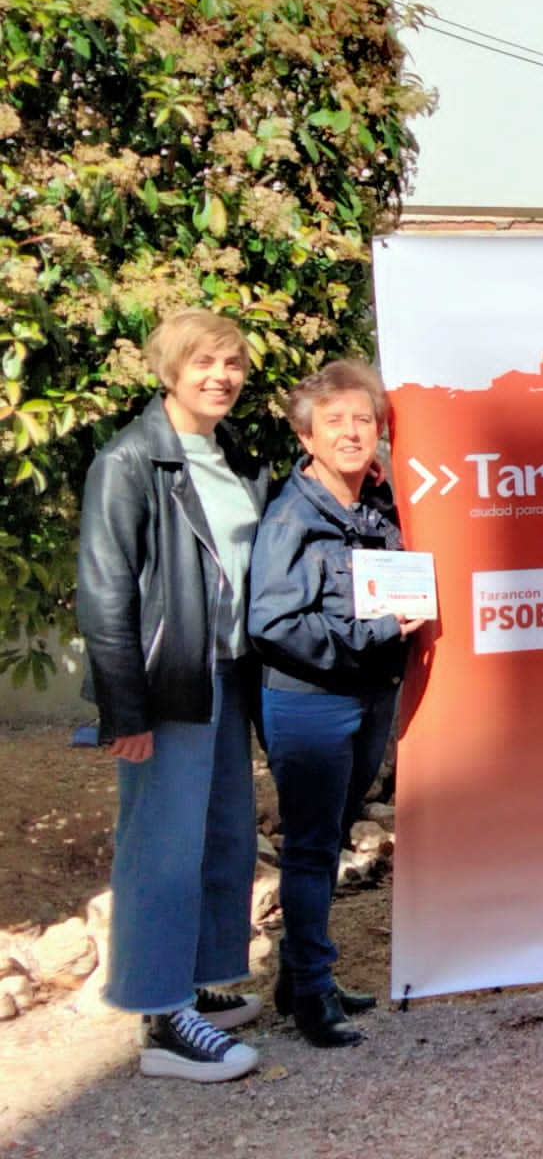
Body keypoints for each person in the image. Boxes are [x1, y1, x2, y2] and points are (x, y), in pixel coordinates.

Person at [75, 310, 272, 1080]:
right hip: (168, 681)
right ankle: (159, 1015)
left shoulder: (231, 457)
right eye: (203, 363)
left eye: (232, 364)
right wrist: (124, 709)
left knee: (222, 833)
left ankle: (194, 983)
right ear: (169, 370)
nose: (220, 377)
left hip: (227, 672)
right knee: (160, 845)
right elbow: (105, 591)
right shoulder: (130, 461)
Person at [247, 360, 427, 1047]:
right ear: (306, 437)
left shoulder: (375, 504)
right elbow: (273, 623)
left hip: (368, 695)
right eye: (335, 422)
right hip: (312, 703)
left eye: (364, 420)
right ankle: (315, 993)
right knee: (312, 848)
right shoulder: (293, 515)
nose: (352, 433)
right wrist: (375, 631)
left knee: (328, 845)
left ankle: (298, 979)